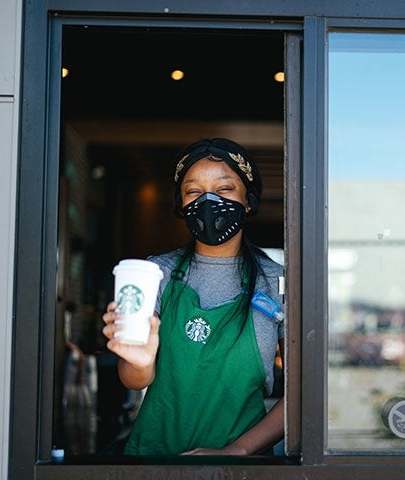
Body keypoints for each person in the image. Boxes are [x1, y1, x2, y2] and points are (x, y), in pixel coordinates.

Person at [102, 138, 285, 456]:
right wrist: (139, 361)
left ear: (248, 201)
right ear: (181, 206)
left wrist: (238, 451)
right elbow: (133, 379)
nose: (209, 200)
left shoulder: (277, 281)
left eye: (225, 189)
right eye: (194, 191)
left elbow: (303, 391)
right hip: (154, 460)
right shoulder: (155, 273)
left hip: (244, 469)